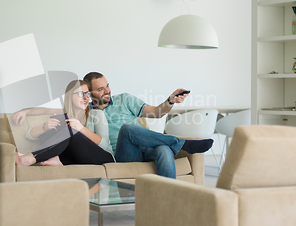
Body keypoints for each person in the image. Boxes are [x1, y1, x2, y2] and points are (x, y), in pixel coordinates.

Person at [82, 72, 213, 179]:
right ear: (89, 93)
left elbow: (156, 113)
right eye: (100, 89)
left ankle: (169, 198)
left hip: (145, 147)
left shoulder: (125, 99)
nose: (107, 91)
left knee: (164, 149)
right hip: (124, 154)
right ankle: (181, 143)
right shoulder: (86, 111)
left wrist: (170, 100)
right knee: (127, 128)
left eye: (107, 86)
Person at [14, 79, 115, 167]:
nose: (85, 97)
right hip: (76, 159)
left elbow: (104, 144)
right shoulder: (64, 114)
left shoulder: (97, 114)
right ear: (70, 96)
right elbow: (41, 114)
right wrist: (26, 112)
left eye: (87, 94)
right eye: (80, 94)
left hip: (104, 159)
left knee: (70, 131)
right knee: (50, 130)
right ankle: (56, 158)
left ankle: (29, 158)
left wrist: (81, 128)